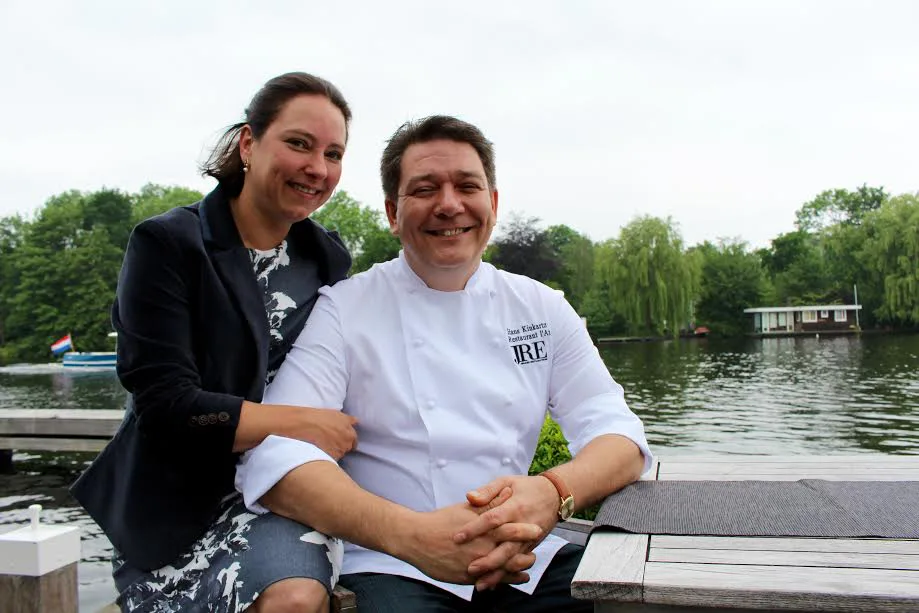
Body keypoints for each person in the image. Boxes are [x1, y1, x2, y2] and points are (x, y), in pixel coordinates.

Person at [236, 115, 654, 611]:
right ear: (393, 212)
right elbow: (280, 456)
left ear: (493, 204)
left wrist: (551, 491)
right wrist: (412, 536)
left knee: (645, 596)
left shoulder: (541, 308)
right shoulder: (344, 310)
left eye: (467, 186)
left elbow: (619, 436)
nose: (450, 204)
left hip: (526, 556)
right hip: (392, 565)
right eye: (426, 189)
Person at [71, 72, 362, 613]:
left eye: (333, 153)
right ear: (248, 144)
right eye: (298, 143)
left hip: (282, 491)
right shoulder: (167, 245)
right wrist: (297, 421)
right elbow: (164, 406)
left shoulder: (327, 259)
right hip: (173, 509)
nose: (317, 168)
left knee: (295, 599)